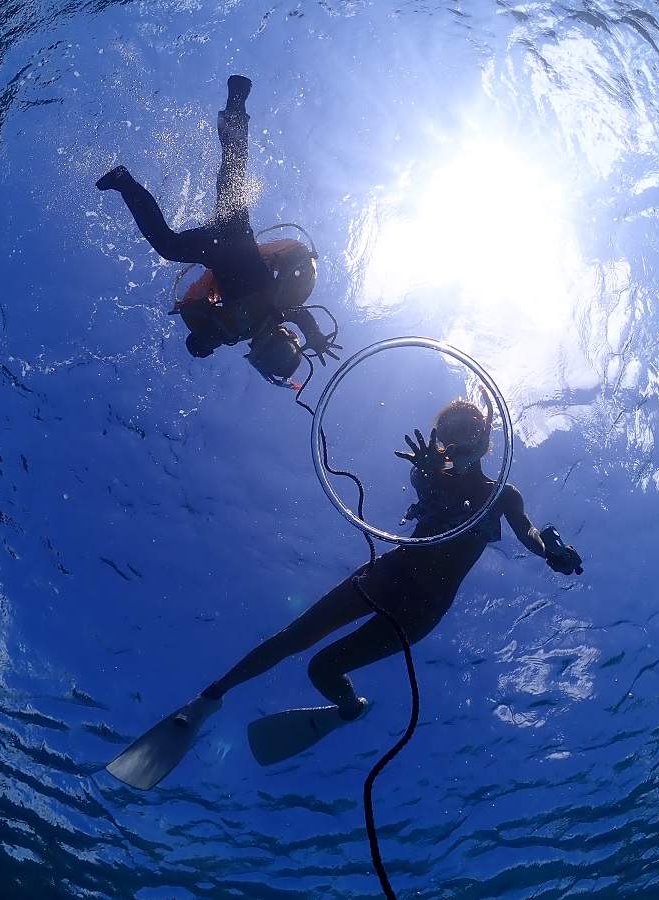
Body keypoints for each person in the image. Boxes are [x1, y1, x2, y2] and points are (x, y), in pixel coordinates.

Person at [106, 396, 583, 788]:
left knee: (322, 667)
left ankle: (350, 709)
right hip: (387, 576)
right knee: (294, 637)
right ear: (440, 441)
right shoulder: (426, 472)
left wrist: (551, 552)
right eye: (448, 433)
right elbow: (433, 493)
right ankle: (210, 697)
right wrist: (430, 472)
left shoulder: (503, 495)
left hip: (424, 608)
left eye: (467, 431)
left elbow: (528, 532)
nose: (458, 441)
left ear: (485, 439)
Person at [96, 75, 341, 386]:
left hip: (231, 236)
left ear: (286, 338)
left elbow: (204, 337)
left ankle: (236, 98)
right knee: (174, 237)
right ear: (259, 355)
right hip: (227, 240)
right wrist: (204, 343)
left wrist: (314, 336)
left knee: (231, 170)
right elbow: (204, 335)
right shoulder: (272, 311)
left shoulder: (266, 314)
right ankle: (124, 181)